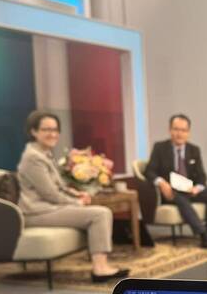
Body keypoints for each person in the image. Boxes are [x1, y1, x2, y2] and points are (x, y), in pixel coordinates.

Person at [17, 111, 128, 283]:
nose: (52, 134)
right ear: (34, 131)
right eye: (46, 129)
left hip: (49, 208)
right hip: (37, 212)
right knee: (100, 214)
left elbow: (58, 185)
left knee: (99, 211)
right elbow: (50, 194)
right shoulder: (33, 158)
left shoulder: (44, 153)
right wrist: (77, 202)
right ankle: (100, 269)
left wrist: (76, 193)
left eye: (55, 129)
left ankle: (101, 265)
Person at [145, 114, 207, 248]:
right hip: (171, 192)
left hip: (190, 190)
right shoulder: (159, 148)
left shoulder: (194, 150)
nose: (179, 134)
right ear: (170, 130)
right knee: (178, 195)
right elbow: (149, 171)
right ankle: (202, 233)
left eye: (183, 130)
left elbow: (201, 176)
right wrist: (161, 183)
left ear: (188, 133)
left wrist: (197, 188)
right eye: (176, 129)